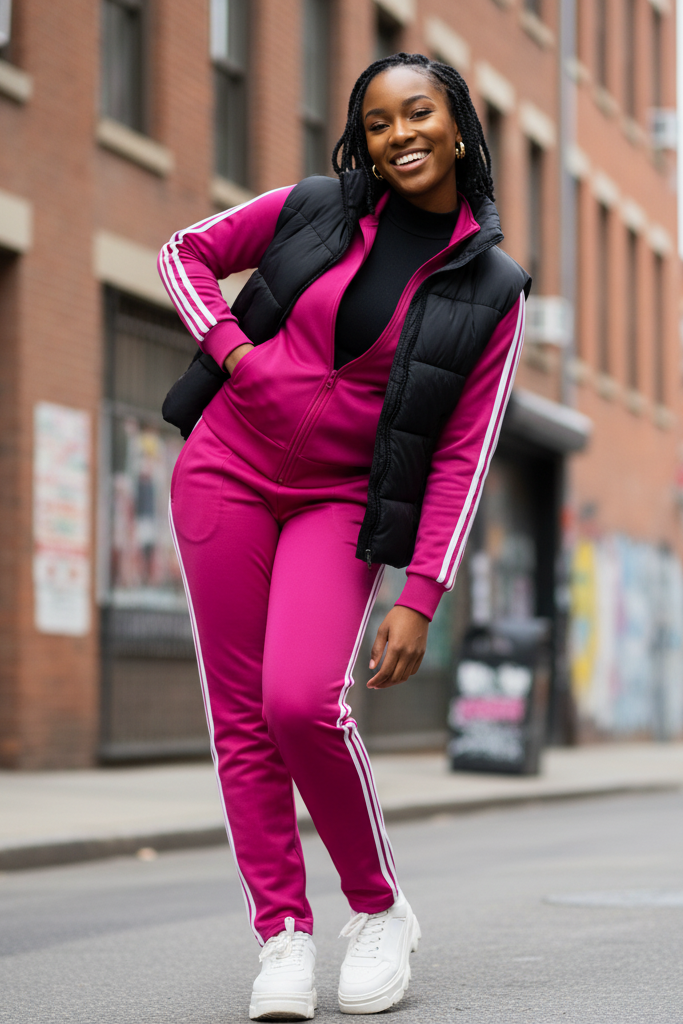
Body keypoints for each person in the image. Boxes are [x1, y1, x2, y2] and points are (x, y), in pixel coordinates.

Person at [158, 52, 530, 1020]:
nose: (397, 135)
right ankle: (281, 934)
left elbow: (462, 452)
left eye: (417, 114)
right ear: (359, 136)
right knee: (240, 717)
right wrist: (234, 354)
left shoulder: (490, 286)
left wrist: (419, 593)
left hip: (339, 500)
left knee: (298, 701)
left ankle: (375, 909)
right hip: (225, 470)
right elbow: (179, 253)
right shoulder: (314, 207)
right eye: (376, 121)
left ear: (456, 127)